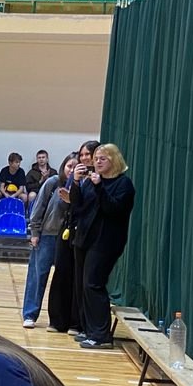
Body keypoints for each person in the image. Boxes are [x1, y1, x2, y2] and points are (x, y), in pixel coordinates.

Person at [74, 143, 136, 349]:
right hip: (86, 239)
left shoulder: (123, 184)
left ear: (114, 160)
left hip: (106, 243)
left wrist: (99, 187)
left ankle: (101, 336)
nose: (97, 162)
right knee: (84, 285)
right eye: (96, 159)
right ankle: (90, 330)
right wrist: (76, 183)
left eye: (102, 159)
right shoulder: (91, 181)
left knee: (94, 284)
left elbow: (113, 209)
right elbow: (79, 207)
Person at [49, 140, 98, 336]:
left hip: (85, 231)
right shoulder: (75, 176)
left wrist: (74, 199)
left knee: (79, 277)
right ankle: (58, 320)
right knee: (61, 271)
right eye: (82, 154)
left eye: (88, 154)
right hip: (68, 227)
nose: (84, 158)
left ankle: (76, 322)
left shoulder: (97, 179)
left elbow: (89, 204)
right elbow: (66, 202)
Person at [22, 166, 67, 328]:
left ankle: (60, 319)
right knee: (38, 276)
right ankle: (30, 314)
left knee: (63, 279)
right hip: (48, 235)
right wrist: (34, 232)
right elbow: (39, 206)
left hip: (68, 239)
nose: (72, 170)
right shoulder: (53, 182)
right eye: (69, 166)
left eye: (75, 167)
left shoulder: (82, 186)